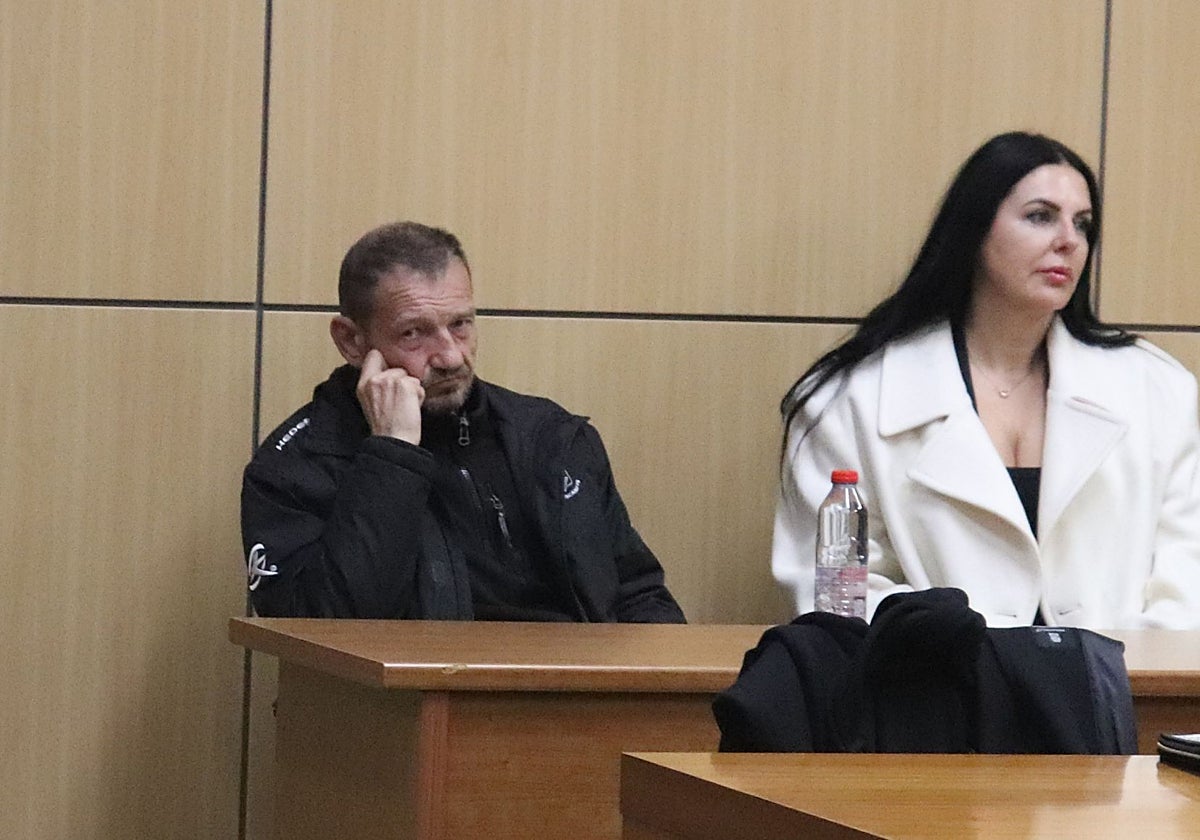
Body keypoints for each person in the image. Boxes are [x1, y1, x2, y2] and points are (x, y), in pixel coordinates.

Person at [772, 131, 1200, 629]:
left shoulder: (1159, 390)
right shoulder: (850, 401)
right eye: (1040, 216)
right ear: (974, 231)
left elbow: (1186, 581)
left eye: (1082, 224)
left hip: (1122, 675)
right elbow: (839, 595)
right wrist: (976, 662)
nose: (1068, 240)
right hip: (933, 675)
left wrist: (1106, 669)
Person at [241, 221, 685, 622]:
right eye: (414, 332)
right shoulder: (296, 466)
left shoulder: (551, 438)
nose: (451, 356)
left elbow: (639, 595)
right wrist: (392, 455)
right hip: (416, 688)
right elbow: (319, 631)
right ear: (352, 341)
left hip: (578, 684)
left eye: (460, 324)